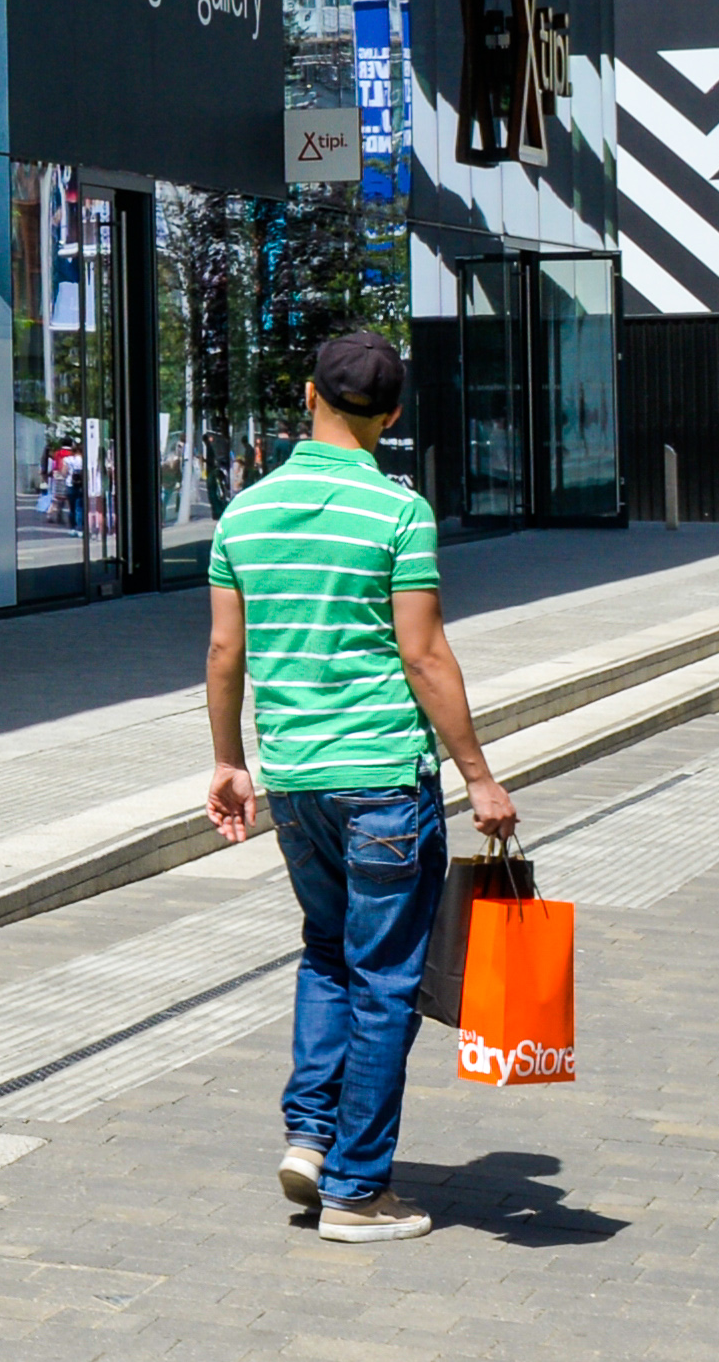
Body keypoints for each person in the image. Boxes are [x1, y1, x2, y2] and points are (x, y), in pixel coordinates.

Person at [201, 333, 513, 1242]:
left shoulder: (244, 515)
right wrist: (480, 776)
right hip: (380, 779)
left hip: (295, 785)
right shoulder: (398, 511)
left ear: (308, 397)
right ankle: (357, 1190)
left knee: (327, 952)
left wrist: (230, 762)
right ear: (393, 416)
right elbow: (422, 654)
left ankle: (310, 1134)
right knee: (384, 980)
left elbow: (226, 654)